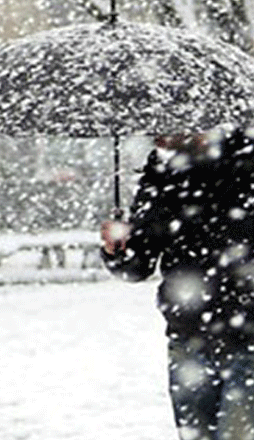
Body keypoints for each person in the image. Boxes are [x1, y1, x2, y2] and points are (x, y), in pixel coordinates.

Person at [101, 126, 254, 440]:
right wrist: (116, 249)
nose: (156, 137)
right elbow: (137, 266)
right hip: (189, 338)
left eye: (165, 128)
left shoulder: (248, 164)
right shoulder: (162, 170)